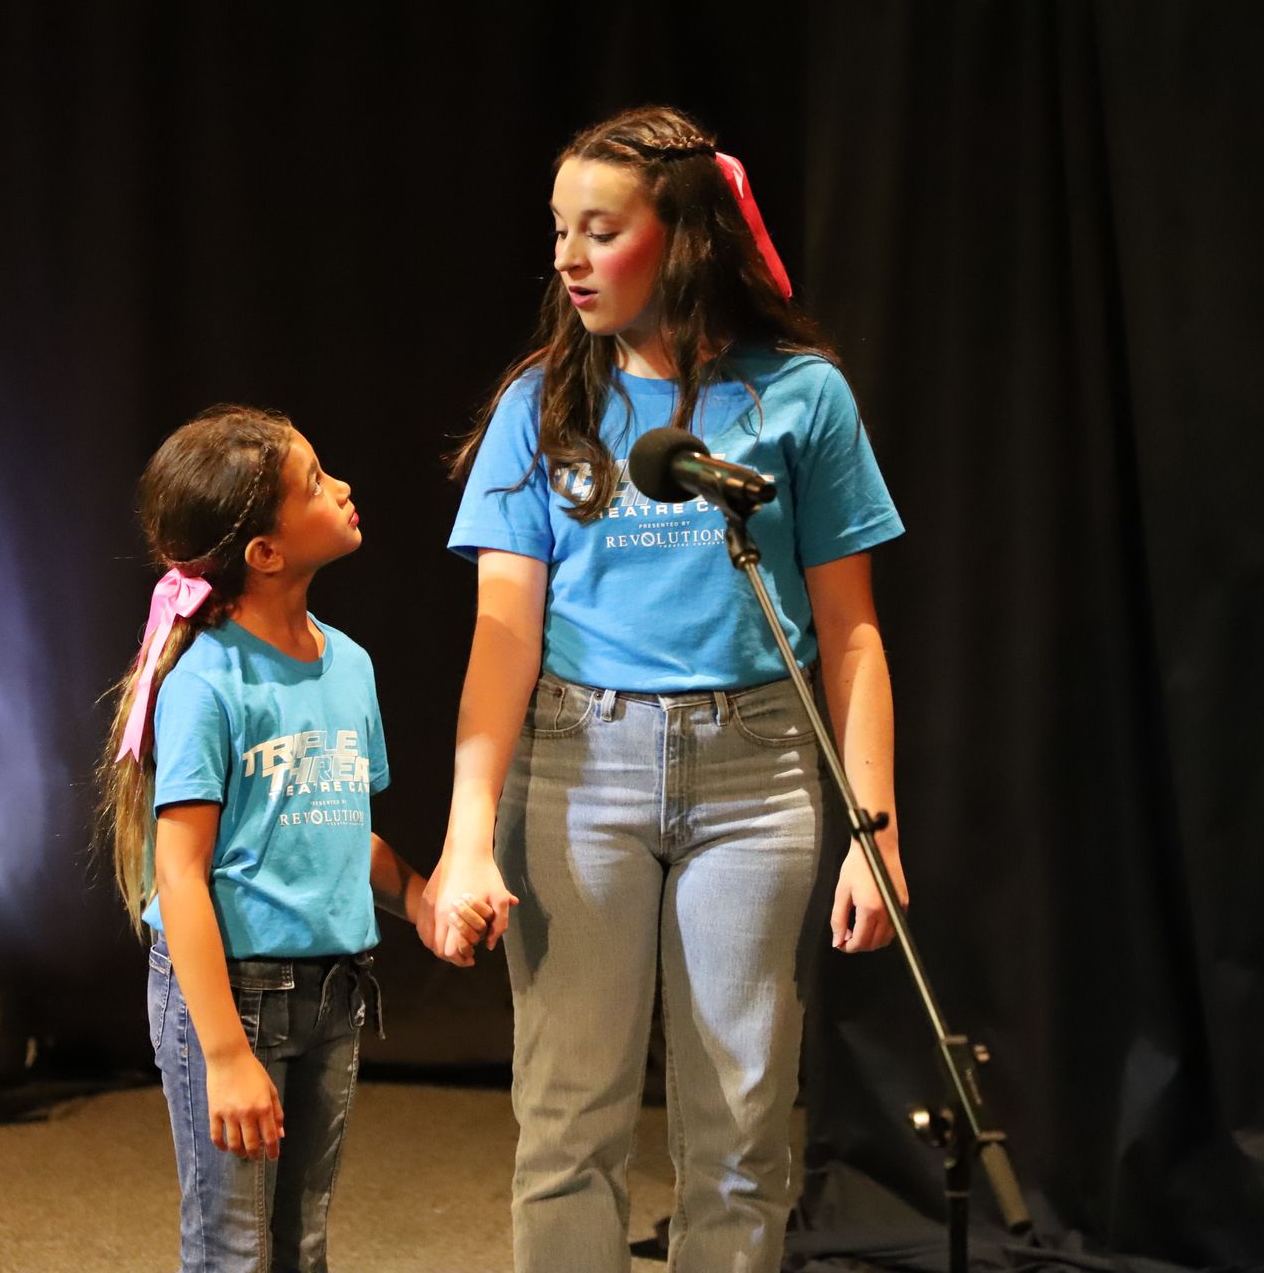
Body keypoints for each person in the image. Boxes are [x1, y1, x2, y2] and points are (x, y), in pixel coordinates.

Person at [425, 106, 910, 1272]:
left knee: (742, 1126)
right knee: (569, 1120)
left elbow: (849, 632)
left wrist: (876, 832)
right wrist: (465, 837)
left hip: (758, 772)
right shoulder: (541, 402)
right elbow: (501, 638)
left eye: (601, 231)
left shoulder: (802, 395)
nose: (569, 257)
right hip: (576, 768)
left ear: (684, 238)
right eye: (559, 231)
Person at [97, 404, 488, 1272]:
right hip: (231, 996)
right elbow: (180, 875)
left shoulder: (349, 664)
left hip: (333, 993)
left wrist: (421, 899)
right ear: (265, 553)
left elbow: (339, 826)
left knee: (300, 1243)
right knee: (232, 1250)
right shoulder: (207, 683)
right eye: (315, 482)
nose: (342, 488)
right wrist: (225, 1055)